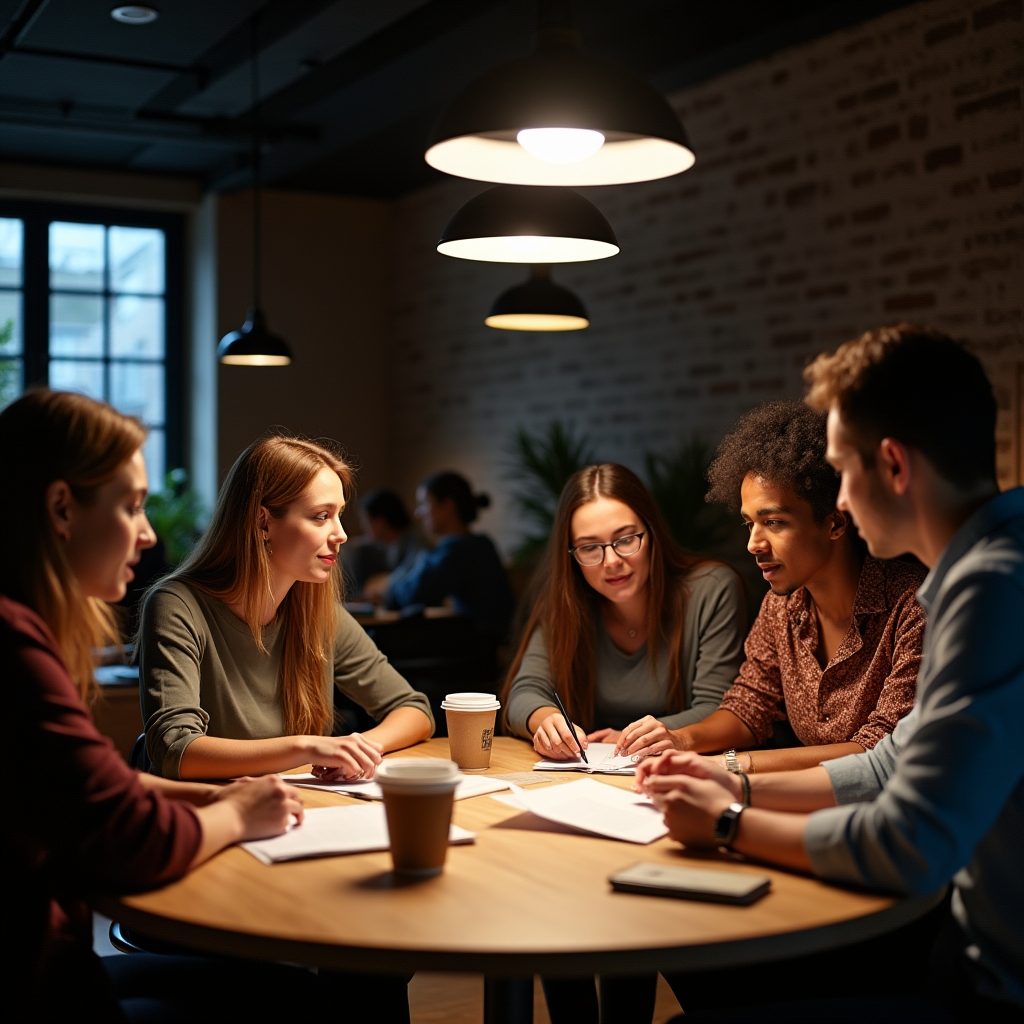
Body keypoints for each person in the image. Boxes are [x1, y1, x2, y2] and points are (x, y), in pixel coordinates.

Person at [637, 325, 1023, 1021]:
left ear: (894, 467)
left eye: (842, 471)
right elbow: (885, 769)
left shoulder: (994, 588)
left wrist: (727, 822)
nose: (838, 499)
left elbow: (910, 841)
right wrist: (732, 781)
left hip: (992, 983)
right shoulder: (984, 568)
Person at [1, 390, 308, 1021]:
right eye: (132, 506)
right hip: (35, 988)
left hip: (51, 967)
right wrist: (236, 817)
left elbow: (89, 789)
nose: (147, 534)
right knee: (301, 999)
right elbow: (124, 835)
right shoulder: (12, 643)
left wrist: (214, 798)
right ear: (61, 508)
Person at [502, 462, 747, 1024]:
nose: (611, 562)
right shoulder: (568, 602)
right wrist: (543, 718)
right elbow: (525, 689)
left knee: (623, 910)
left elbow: (725, 704)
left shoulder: (709, 588)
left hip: (673, 804)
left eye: (625, 539)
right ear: (571, 556)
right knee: (549, 884)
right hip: (590, 798)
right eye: (589, 548)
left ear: (651, 534)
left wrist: (667, 731)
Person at [615, 400, 925, 774]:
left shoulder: (912, 607)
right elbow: (751, 705)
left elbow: (880, 750)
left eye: (774, 522)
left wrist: (732, 765)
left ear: (835, 523)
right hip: (800, 804)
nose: (753, 544)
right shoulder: (782, 607)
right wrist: (679, 739)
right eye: (750, 524)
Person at [140, 434, 434, 782]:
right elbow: (175, 749)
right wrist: (308, 748)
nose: (341, 534)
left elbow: (415, 710)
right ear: (263, 522)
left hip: (298, 810)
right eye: (321, 516)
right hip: (213, 817)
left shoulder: (318, 609)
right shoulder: (176, 606)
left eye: (339, 515)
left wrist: (354, 750)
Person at [385, 470, 513, 641]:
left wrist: (387, 590)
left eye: (424, 504)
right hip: (490, 644)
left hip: (482, 650)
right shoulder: (481, 543)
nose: (418, 513)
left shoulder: (457, 550)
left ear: (448, 506)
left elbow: (412, 596)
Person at [340, 488, 426, 597]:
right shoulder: (385, 544)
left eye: (365, 520)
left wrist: (382, 583)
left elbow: (410, 575)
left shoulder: (416, 543)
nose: (363, 526)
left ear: (380, 521)